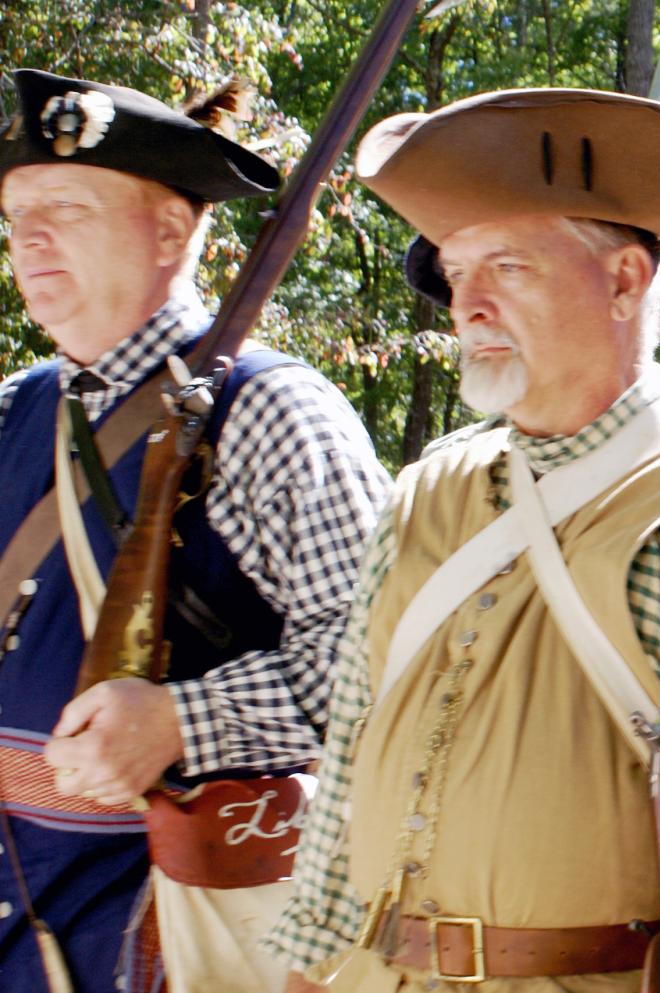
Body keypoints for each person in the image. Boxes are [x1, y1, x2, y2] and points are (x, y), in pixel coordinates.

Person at [264, 87, 660, 992]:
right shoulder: (426, 490)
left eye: (503, 267)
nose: (466, 305)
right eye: (455, 273)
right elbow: (353, 745)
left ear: (624, 279)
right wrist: (305, 964)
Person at [0, 69, 388, 993]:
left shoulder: (272, 409)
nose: (31, 238)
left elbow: (383, 667)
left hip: (185, 928)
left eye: (68, 207)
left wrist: (184, 719)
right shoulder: (17, 410)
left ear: (173, 230)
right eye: (17, 214)